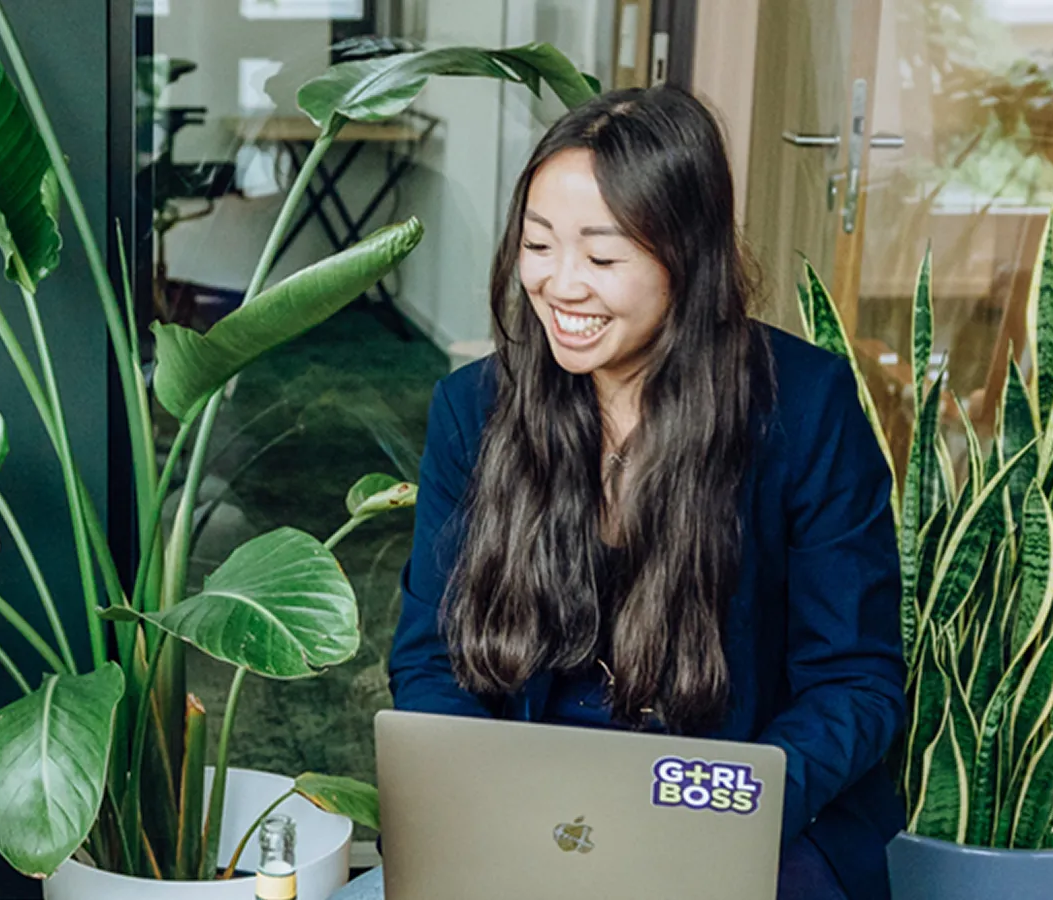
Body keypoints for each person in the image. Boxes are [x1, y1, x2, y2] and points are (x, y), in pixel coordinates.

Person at [333, 86, 904, 900]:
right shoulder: (475, 409)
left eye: (603, 258)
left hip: (730, 811)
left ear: (688, 256)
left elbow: (855, 682)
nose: (561, 286)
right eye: (537, 245)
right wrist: (479, 811)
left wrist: (718, 816)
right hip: (523, 812)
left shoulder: (805, 407)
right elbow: (433, 662)